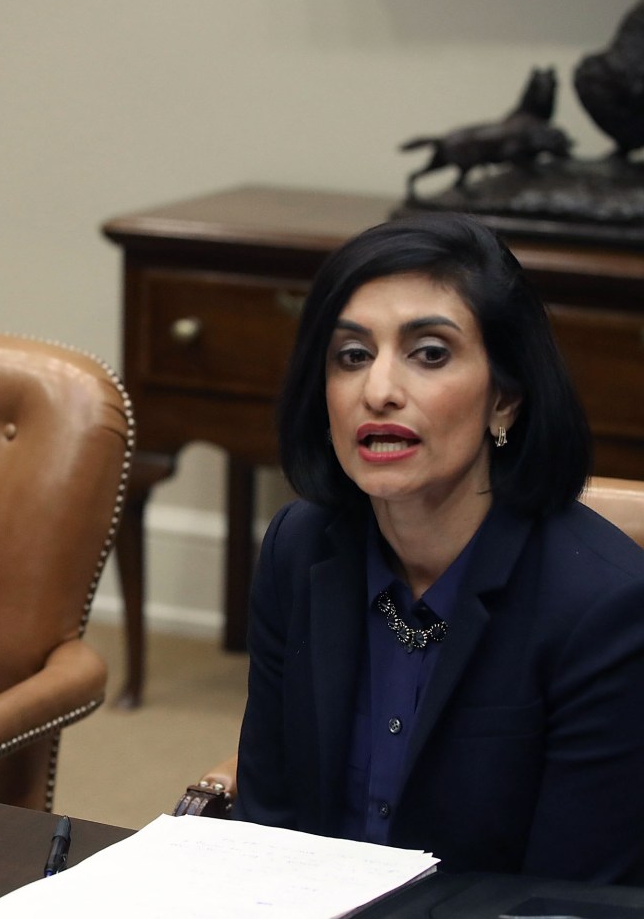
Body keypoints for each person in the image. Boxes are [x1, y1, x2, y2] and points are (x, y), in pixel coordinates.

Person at [234, 212, 644, 883]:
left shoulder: (606, 609)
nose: (379, 391)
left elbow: (570, 900)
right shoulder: (298, 549)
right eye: (352, 355)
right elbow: (266, 821)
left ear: (505, 399)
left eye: (429, 354)